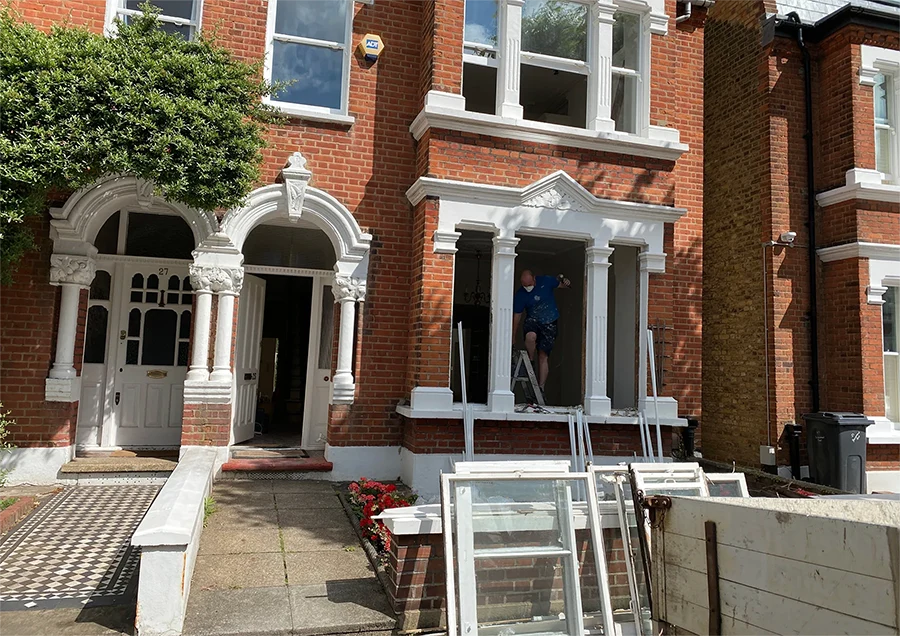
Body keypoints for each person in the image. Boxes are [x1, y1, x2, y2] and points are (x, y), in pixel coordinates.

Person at [512, 269, 570, 396]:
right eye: (524, 285)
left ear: (534, 279)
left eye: (529, 284)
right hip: (533, 319)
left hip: (550, 321)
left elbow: (561, 285)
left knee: (543, 355)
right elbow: (517, 316)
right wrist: (513, 336)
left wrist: (565, 283)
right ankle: (530, 360)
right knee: (530, 336)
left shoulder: (546, 280)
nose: (527, 287)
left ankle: (541, 388)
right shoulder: (521, 295)